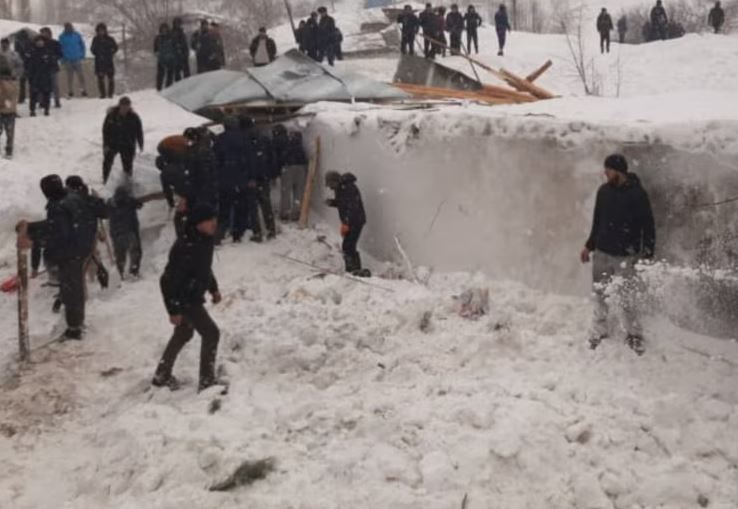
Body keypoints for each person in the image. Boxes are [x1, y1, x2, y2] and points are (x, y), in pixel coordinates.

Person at [580, 154, 655, 356]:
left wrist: (647, 255)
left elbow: (648, 226)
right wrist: (589, 246)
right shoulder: (603, 191)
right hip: (602, 253)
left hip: (626, 257)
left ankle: (634, 334)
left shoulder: (638, 194)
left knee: (627, 297)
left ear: (619, 171)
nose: (605, 173)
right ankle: (600, 330)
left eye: (608, 169)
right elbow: (597, 223)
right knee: (600, 294)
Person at [153, 202, 222, 392]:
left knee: (184, 332)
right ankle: (207, 382)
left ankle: (162, 374)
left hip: (192, 295)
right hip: (185, 299)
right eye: (209, 220)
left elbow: (204, 269)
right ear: (199, 223)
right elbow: (166, 280)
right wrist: (173, 310)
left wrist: (213, 288)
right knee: (211, 333)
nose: (214, 223)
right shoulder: (185, 246)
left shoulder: (205, 240)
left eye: (214, 219)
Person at [20, 175, 88, 340]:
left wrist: (35, 236)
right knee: (75, 288)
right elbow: (57, 224)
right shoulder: (71, 198)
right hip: (79, 248)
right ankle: (77, 323)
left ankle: (74, 329)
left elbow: (58, 231)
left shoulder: (58, 206)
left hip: (69, 252)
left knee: (71, 291)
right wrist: (34, 227)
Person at [65, 175, 109, 290]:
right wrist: (99, 201)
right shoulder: (89, 199)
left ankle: (85, 290)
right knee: (92, 259)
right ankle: (101, 284)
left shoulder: (66, 201)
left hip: (75, 240)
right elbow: (105, 212)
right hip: (89, 236)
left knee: (79, 269)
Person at [325, 171, 369, 277]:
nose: (330, 188)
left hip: (355, 221)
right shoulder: (340, 188)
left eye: (330, 185)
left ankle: (353, 270)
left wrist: (346, 223)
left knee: (348, 246)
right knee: (349, 245)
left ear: (335, 181)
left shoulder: (349, 188)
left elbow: (352, 207)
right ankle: (354, 269)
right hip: (351, 221)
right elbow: (342, 203)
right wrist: (332, 202)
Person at [213, 116, 249, 243]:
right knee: (240, 208)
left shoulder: (220, 139)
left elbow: (216, 159)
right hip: (240, 179)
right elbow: (248, 159)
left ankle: (219, 234)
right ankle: (237, 235)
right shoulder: (244, 138)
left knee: (224, 208)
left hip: (224, 179)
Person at [243, 118, 276, 242]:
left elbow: (246, 162)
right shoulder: (264, 140)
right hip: (263, 178)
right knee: (266, 205)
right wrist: (270, 174)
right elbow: (272, 158)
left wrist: (249, 177)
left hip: (251, 179)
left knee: (253, 208)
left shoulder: (245, 141)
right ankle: (271, 230)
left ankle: (257, 232)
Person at [102, 96, 144, 184]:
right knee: (107, 162)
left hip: (128, 143)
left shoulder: (134, 117)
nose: (125, 109)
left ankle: (127, 181)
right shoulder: (111, 116)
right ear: (120, 106)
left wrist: (141, 144)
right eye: (123, 106)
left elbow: (139, 131)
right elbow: (105, 131)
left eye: (127, 106)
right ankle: (105, 179)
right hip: (113, 143)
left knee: (128, 164)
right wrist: (105, 145)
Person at [107, 185, 143, 279]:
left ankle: (121, 273)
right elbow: (140, 205)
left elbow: (104, 212)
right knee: (135, 251)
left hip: (116, 233)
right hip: (129, 230)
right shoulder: (129, 201)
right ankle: (133, 271)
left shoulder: (110, 203)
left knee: (120, 254)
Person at [279, 130, 308, 222]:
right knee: (298, 192)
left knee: (286, 192)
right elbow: (304, 159)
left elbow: (282, 157)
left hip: (288, 168)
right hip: (301, 168)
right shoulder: (301, 148)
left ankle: (285, 213)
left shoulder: (287, 146)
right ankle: (296, 213)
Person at [27, 35, 54, 117]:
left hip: (46, 76)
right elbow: (28, 64)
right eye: (38, 41)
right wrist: (30, 75)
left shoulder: (48, 51)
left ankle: (46, 109)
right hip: (34, 76)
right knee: (33, 94)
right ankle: (32, 110)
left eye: (41, 41)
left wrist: (48, 62)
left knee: (46, 93)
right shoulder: (32, 52)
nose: (39, 43)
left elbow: (52, 64)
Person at [59, 22, 88, 98]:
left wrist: (82, 54)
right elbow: (60, 48)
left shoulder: (77, 35)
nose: (69, 28)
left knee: (81, 76)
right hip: (67, 59)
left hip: (77, 58)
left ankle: (83, 90)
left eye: (70, 27)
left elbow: (82, 45)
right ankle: (70, 91)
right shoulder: (62, 37)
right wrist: (62, 59)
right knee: (69, 77)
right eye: (67, 27)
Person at [90, 23, 118, 99]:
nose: (101, 32)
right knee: (100, 79)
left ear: (105, 30)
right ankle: (102, 94)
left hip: (108, 61)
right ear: (97, 31)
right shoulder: (95, 39)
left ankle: (110, 94)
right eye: (100, 30)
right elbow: (92, 49)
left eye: (102, 30)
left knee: (110, 78)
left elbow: (115, 47)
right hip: (99, 61)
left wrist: (111, 52)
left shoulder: (110, 39)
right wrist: (98, 53)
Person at [40, 28, 62, 108]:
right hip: (42, 68)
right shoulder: (40, 43)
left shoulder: (55, 43)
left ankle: (57, 101)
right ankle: (43, 101)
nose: (43, 34)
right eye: (42, 33)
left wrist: (52, 57)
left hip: (53, 67)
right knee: (42, 85)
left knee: (55, 85)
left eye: (45, 33)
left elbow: (60, 54)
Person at [0, 64, 18, 159]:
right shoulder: (14, 83)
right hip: (11, 110)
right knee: (10, 132)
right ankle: (9, 150)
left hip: (2, 109)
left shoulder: (2, 83)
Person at [154, 23, 176, 91]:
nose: (164, 30)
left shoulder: (171, 37)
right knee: (160, 75)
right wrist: (157, 53)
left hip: (170, 58)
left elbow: (174, 47)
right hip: (161, 59)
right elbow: (155, 49)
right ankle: (159, 89)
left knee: (170, 75)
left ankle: (168, 88)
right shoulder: (158, 38)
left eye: (165, 28)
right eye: (163, 29)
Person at [14, 29, 32, 104]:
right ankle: (32, 97)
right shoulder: (30, 40)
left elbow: (16, 52)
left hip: (23, 63)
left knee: (22, 82)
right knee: (30, 82)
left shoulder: (17, 41)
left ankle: (22, 98)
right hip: (28, 63)